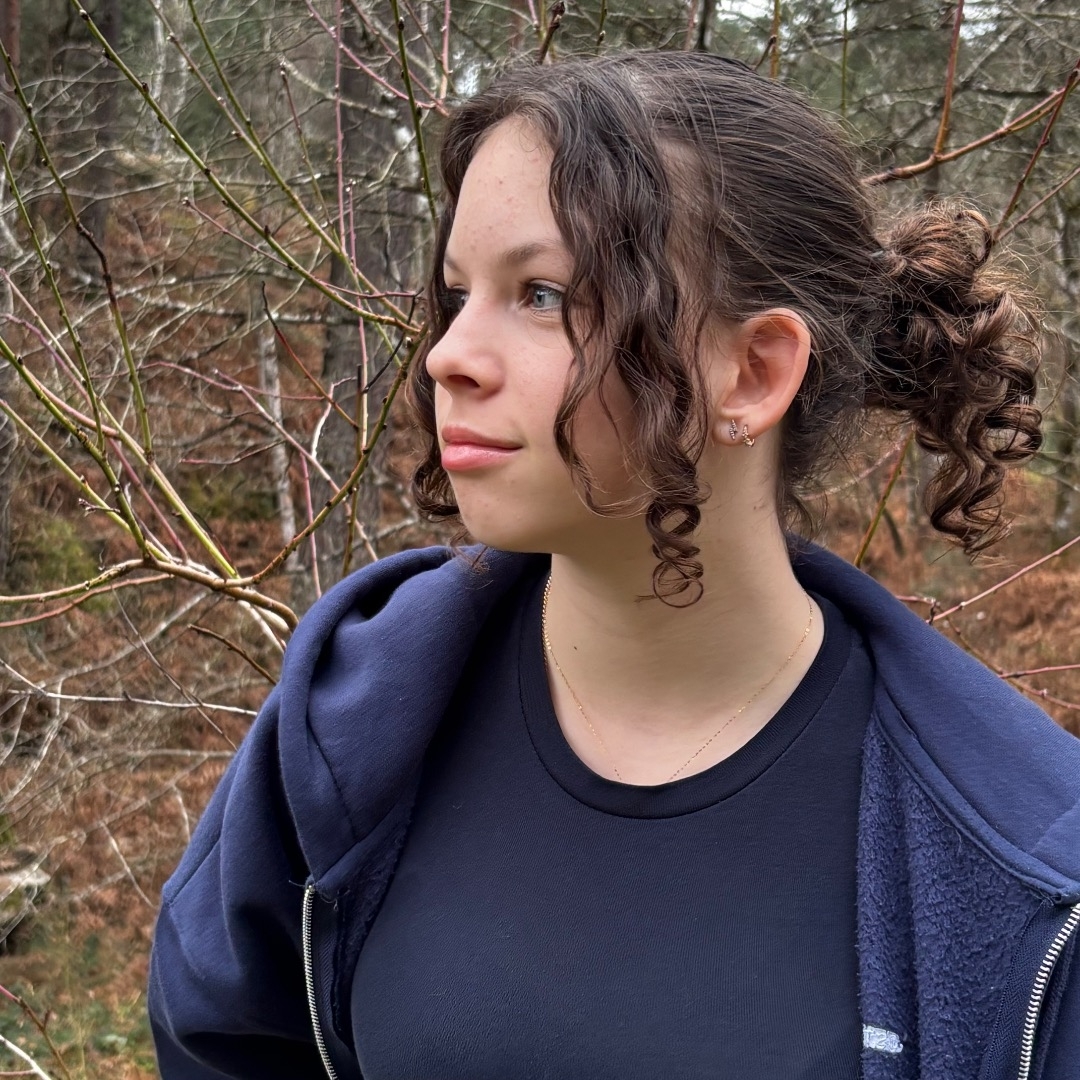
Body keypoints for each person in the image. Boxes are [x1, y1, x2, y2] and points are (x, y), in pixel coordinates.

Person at [147, 50, 1080, 1080]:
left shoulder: (1016, 864)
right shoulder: (351, 722)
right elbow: (224, 1043)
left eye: (543, 294)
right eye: (458, 293)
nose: (448, 354)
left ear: (753, 371)